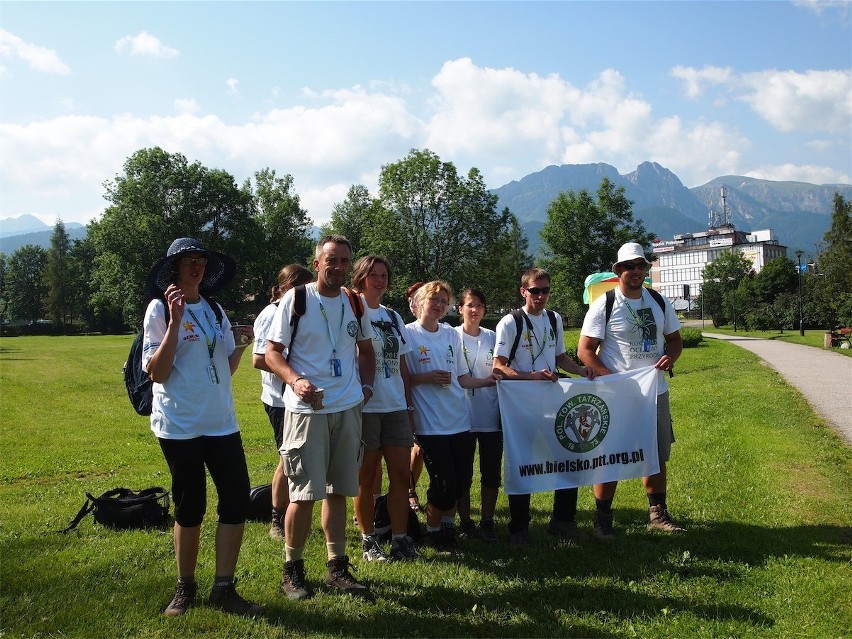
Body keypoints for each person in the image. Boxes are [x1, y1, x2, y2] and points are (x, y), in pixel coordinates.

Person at [142, 237, 262, 617]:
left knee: (236, 498)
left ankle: (224, 588)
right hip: (180, 425)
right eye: (188, 261)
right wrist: (176, 323)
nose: (196, 267)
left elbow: (223, 369)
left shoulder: (213, 308)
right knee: (190, 505)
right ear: (174, 269)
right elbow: (158, 373)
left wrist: (241, 346)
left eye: (201, 261)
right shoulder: (160, 309)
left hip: (221, 422)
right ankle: (185, 587)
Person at [265, 235, 376, 600]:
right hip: (307, 410)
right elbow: (272, 353)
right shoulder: (296, 299)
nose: (339, 267)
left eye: (345, 261)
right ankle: (292, 572)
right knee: (303, 495)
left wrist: (366, 386)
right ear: (317, 264)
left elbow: (365, 350)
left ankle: (337, 567)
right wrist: (295, 381)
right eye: (332, 260)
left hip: (346, 408)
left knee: (340, 491)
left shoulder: (354, 302)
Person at [578, 242, 686, 538]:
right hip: (617, 395)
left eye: (641, 265)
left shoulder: (658, 301)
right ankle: (602, 518)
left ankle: (658, 513)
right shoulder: (605, 304)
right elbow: (585, 351)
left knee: (656, 453)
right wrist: (614, 380)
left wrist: (671, 357)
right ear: (619, 271)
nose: (636, 271)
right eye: (629, 266)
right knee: (611, 455)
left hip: (655, 392)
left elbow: (675, 340)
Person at [493, 267, 594, 547]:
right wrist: (531, 377)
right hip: (521, 406)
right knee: (523, 464)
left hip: (553, 401)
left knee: (569, 457)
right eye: (535, 290)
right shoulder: (510, 322)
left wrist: (581, 370)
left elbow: (560, 357)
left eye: (545, 290)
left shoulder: (553, 318)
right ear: (523, 291)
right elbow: (499, 367)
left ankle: (563, 520)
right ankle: (518, 528)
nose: (541, 296)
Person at [404, 281, 500, 554]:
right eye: (433, 299)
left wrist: (487, 382)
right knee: (443, 482)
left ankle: (447, 528)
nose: (438, 305)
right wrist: (426, 378)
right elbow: (401, 379)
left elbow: (461, 377)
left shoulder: (450, 335)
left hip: (459, 420)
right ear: (420, 301)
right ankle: (433, 532)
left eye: (443, 301)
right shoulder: (408, 334)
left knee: (458, 481)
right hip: (430, 423)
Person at [351, 256, 419, 562]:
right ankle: (369, 540)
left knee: (402, 477)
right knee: (366, 478)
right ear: (361, 278)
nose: (380, 281)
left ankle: (401, 540)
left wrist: (407, 405)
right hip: (365, 407)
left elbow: (403, 366)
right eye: (373, 275)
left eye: (384, 275)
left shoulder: (393, 317)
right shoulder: (351, 310)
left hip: (394, 406)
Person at [252, 264, 314, 540]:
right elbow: (258, 358)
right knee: (286, 460)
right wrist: (293, 373)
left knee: (296, 458)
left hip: (296, 397)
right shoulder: (272, 312)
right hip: (279, 399)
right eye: (302, 287)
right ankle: (277, 518)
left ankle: (288, 512)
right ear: (287, 286)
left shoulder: (297, 312)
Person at [455, 289, 501, 544]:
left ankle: (487, 521)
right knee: (463, 475)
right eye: (470, 305)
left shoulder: (493, 337)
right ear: (460, 309)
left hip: (491, 416)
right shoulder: (451, 336)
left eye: (480, 305)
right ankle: (465, 522)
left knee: (491, 473)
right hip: (461, 417)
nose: (475, 310)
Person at [405, 281, 426, 514]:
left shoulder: (442, 331)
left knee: (419, 451)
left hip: (434, 404)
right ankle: (409, 490)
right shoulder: (406, 330)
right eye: (410, 299)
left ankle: (410, 489)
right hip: (411, 401)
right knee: (417, 449)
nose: (413, 303)